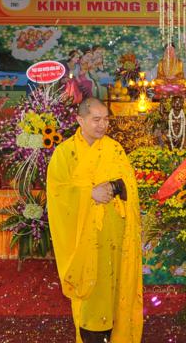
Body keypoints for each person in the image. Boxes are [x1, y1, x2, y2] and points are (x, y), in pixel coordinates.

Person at [47, 98, 143, 343]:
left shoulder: (114, 149)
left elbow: (129, 184)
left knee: (115, 289)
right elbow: (57, 193)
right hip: (84, 240)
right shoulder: (64, 153)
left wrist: (113, 186)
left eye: (106, 119)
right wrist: (89, 193)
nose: (103, 125)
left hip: (114, 237)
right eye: (96, 120)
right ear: (80, 120)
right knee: (91, 293)